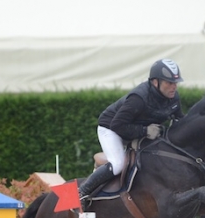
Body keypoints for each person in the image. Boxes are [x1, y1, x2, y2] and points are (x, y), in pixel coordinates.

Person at [78, 58, 185, 209]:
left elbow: (180, 120)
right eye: (169, 83)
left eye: (175, 83)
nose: (174, 87)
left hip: (135, 132)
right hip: (111, 129)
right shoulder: (139, 98)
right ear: (155, 82)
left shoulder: (173, 98)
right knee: (118, 164)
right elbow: (118, 125)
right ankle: (81, 192)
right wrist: (145, 131)